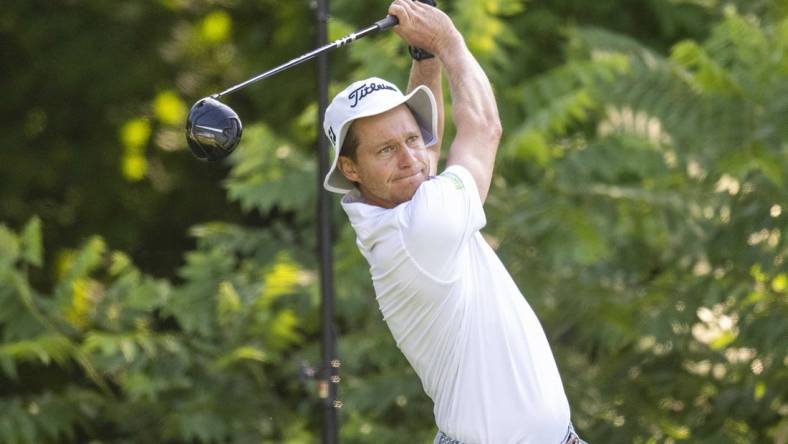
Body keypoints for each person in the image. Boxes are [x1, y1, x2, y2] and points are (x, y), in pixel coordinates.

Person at [322, 1, 586, 442]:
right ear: (350, 168)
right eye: (385, 150)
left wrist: (423, 56)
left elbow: (427, 154)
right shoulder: (420, 231)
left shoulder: (391, 212)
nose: (410, 158)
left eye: (410, 138)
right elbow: (484, 127)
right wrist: (446, 39)